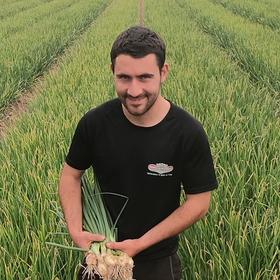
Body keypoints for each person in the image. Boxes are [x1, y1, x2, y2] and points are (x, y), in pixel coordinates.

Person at [59, 26, 218, 280]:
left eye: (144, 77)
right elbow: (71, 175)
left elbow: (199, 202)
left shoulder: (187, 132)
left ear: (163, 72)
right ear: (113, 72)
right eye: (124, 78)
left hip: (158, 260)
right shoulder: (95, 123)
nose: (134, 91)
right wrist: (76, 231)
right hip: (102, 258)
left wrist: (142, 243)